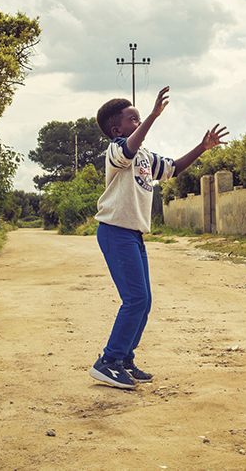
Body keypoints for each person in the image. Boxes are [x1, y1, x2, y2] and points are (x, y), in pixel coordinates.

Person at [89, 86, 228, 389]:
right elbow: (127, 149)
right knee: (135, 299)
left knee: (144, 301)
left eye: (139, 119)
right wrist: (153, 116)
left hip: (134, 234)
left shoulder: (144, 157)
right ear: (117, 129)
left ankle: (124, 358)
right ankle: (108, 361)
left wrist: (202, 148)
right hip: (115, 231)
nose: (138, 123)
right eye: (133, 119)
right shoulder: (116, 151)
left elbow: (174, 168)